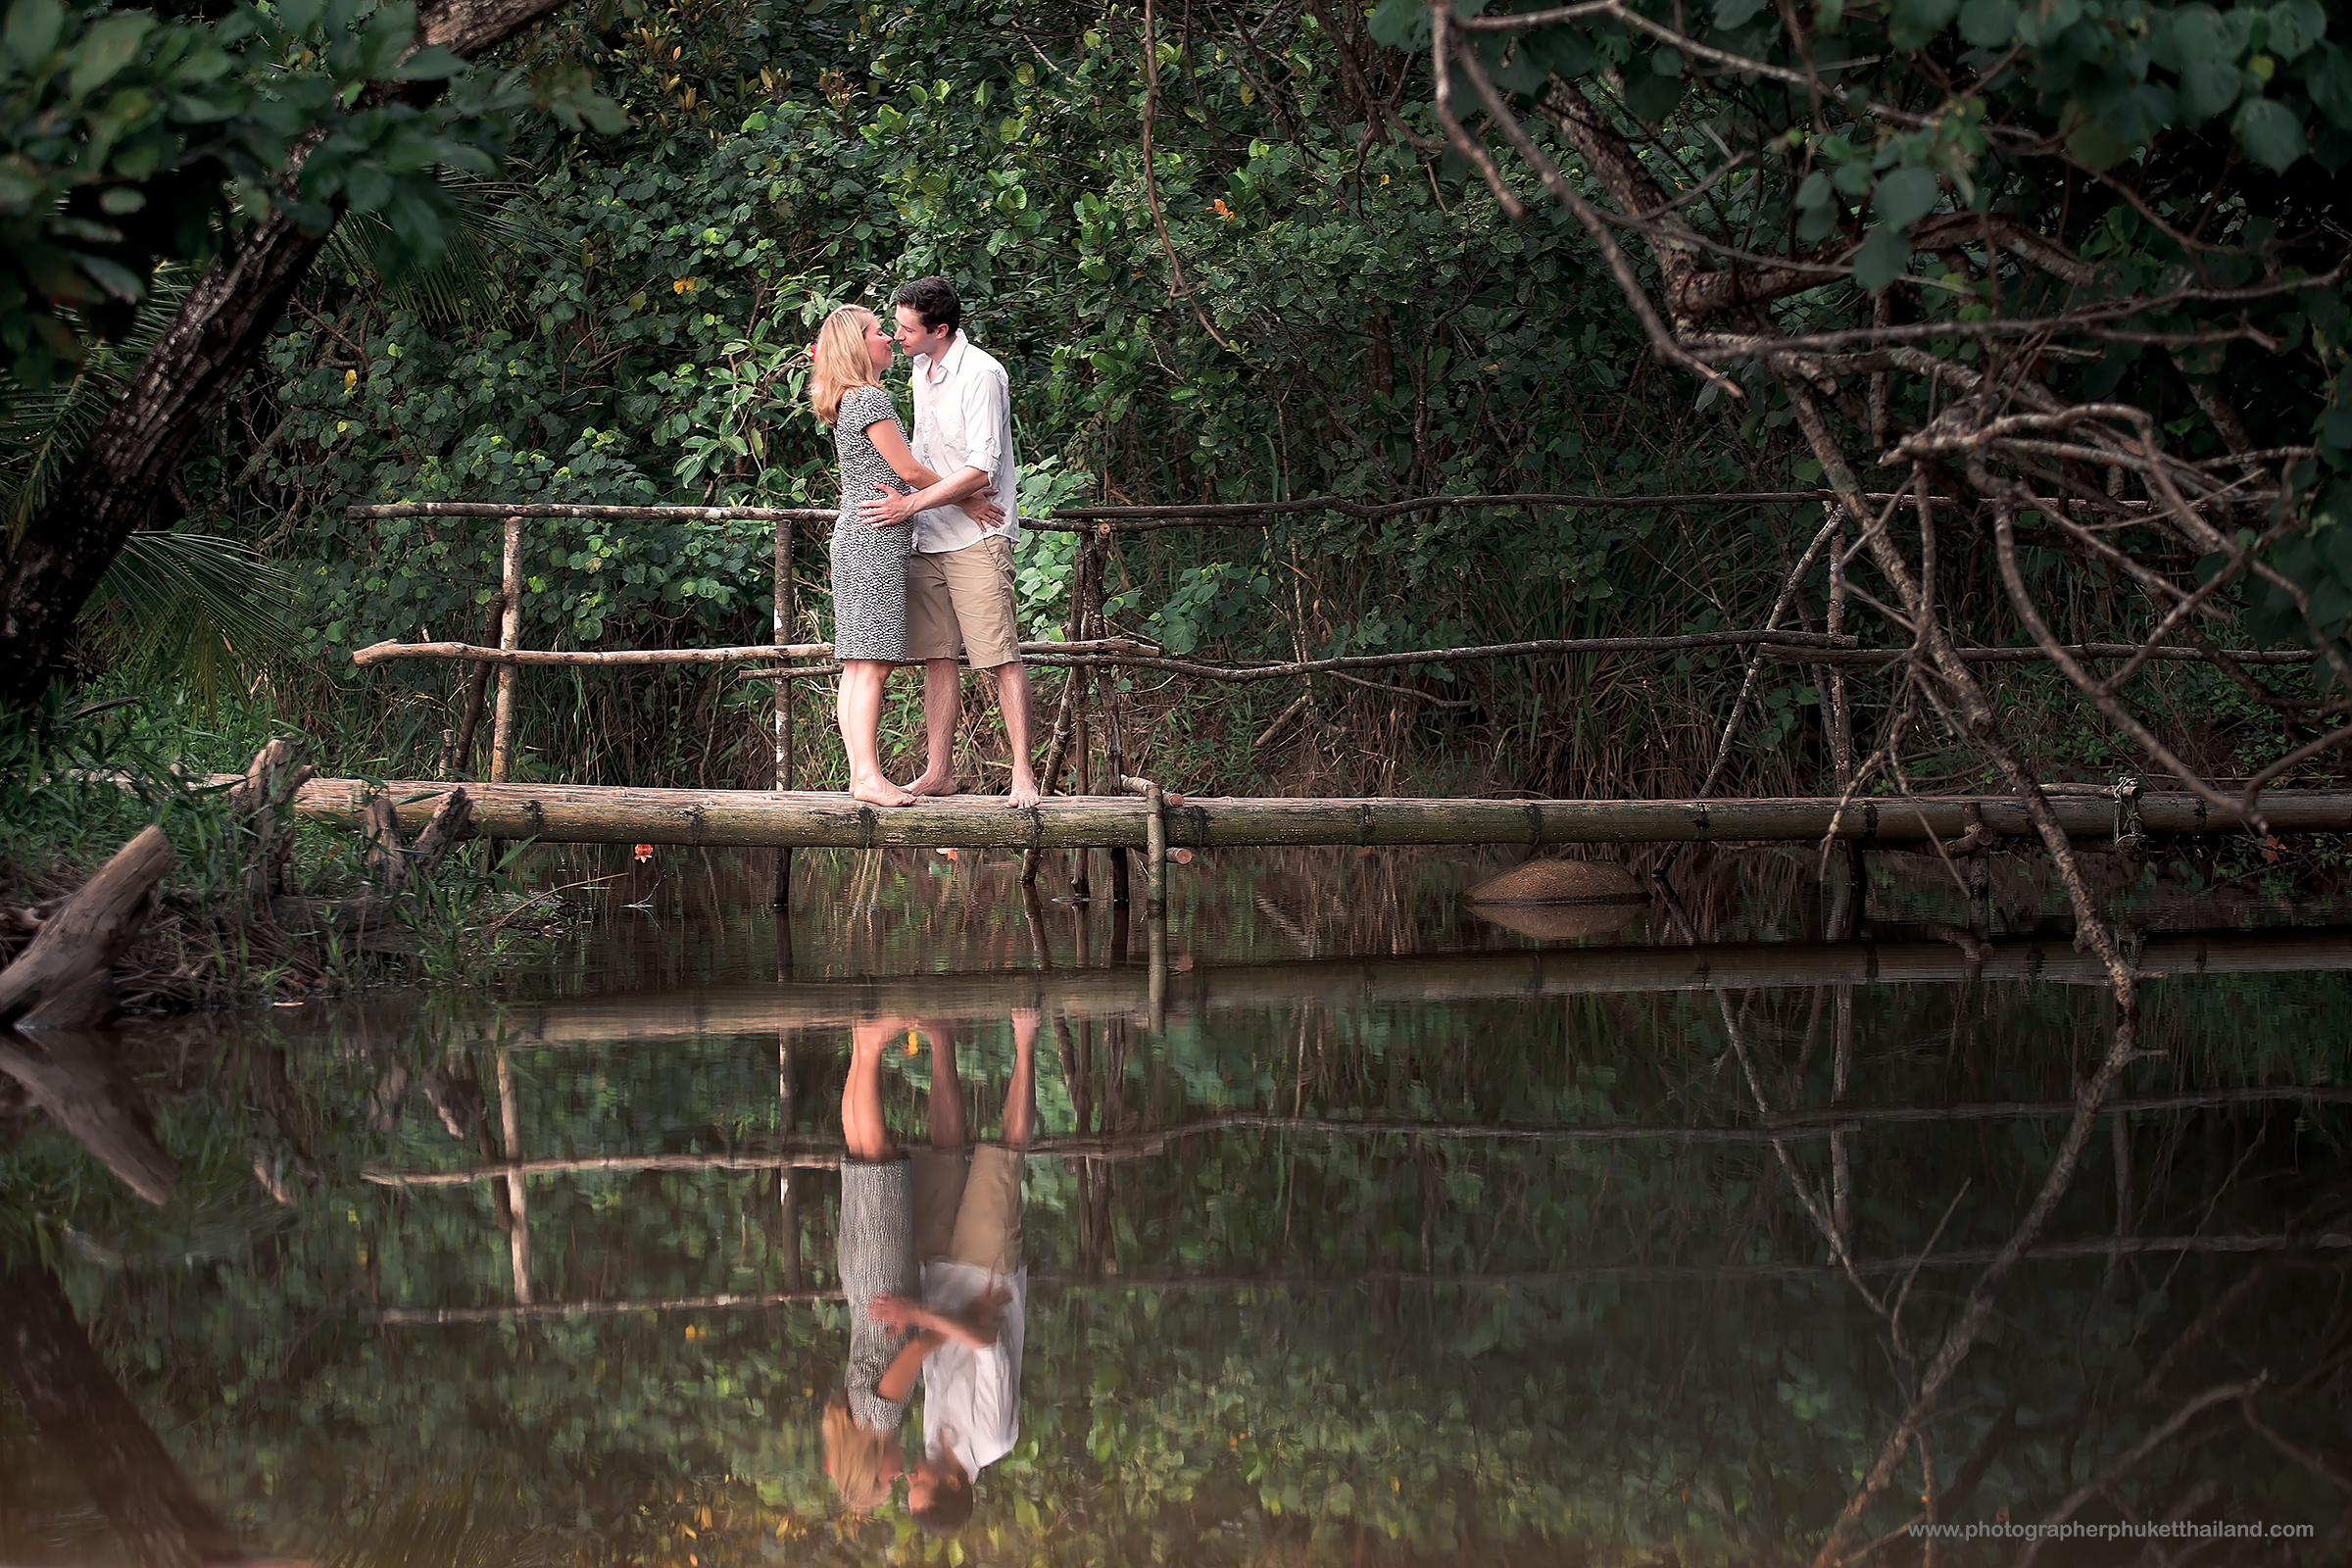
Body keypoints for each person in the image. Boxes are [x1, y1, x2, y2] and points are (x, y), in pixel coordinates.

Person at [854, 277, 1041, 808]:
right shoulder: (916, 367)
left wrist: (911, 504)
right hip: (930, 533)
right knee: (938, 657)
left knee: (999, 655)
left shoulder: (982, 374)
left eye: (906, 329)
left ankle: (1023, 773)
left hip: (978, 537)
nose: (897, 336)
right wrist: (941, 504)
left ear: (941, 330)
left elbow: (982, 469)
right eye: (894, 326)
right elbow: (921, 457)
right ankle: (939, 770)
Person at [807, 306, 1003, 808]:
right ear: (857, 345)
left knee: (858, 665)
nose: (890, 339)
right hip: (875, 540)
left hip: (857, 534)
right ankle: (869, 778)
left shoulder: (849, 398)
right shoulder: (871, 399)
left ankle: (860, 776)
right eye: (879, 333)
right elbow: (911, 472)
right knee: (870, 665)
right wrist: (968, 498)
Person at [820, 1014, 1012, 1518]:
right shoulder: (859, 1413)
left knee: (879, 1154)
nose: (898, 1475)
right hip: (861, 1279)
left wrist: (965, 1321)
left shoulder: (881, 1413)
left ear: (872, 1466)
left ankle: (868, 1046)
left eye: (887, 1483)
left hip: (884, 1277)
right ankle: (862, 1050)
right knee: (862, 1155)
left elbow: (924, 1342)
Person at [868, 1006, 1037, 1536]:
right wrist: (924, 1314)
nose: (910, 1475)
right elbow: (987, 1345)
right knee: (1004, 1157)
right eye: (919, 1483)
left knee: (942, 1154)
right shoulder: (992, 1438)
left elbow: (943, 1347)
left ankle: (940, 1035)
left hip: (939, 1277)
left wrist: (930, 1313)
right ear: (953, 1484)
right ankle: (1026, 1040)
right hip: (986, 1276)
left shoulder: (930, 1439)